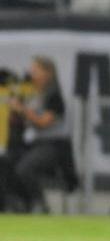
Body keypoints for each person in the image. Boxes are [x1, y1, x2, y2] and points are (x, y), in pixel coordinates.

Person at [2, 57, 76, 212]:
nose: (31, 73)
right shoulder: (34, 96)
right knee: (6, 163)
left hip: (54, 146)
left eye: (36, 70)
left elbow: (43, 122)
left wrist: (22, 109)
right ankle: (16, 204)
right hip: (34, 145)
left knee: (25, 168)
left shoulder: (54, 96)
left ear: (48, 73)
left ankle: (40, 204)